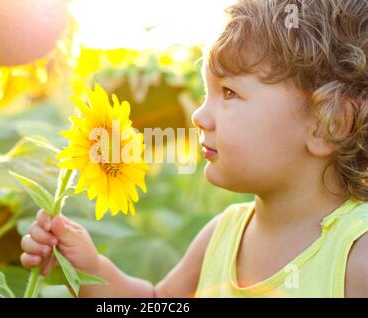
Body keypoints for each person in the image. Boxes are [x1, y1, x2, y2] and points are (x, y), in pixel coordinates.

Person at [21, 0, 368, 297]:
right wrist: (87, 270)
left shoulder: (357, 256)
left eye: (229, 92)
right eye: (206, 93)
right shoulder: (222, 235)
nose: (199, 115)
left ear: (328, 123)